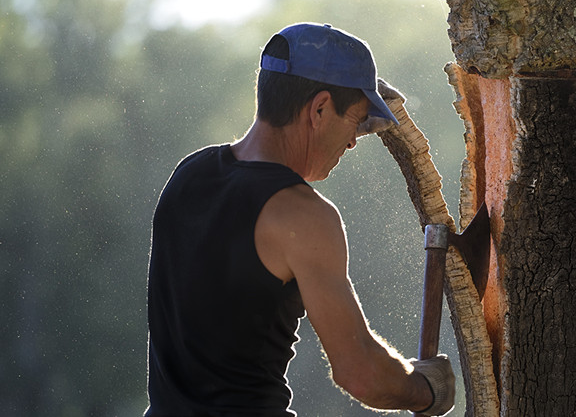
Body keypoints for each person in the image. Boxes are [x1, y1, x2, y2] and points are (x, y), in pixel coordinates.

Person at [144, 22, 456, 416]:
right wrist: (428, 388)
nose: (352, 140)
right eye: (355, 122)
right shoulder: (304, 216)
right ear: (320, 108)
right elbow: (360, 373)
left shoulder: (188, 176)